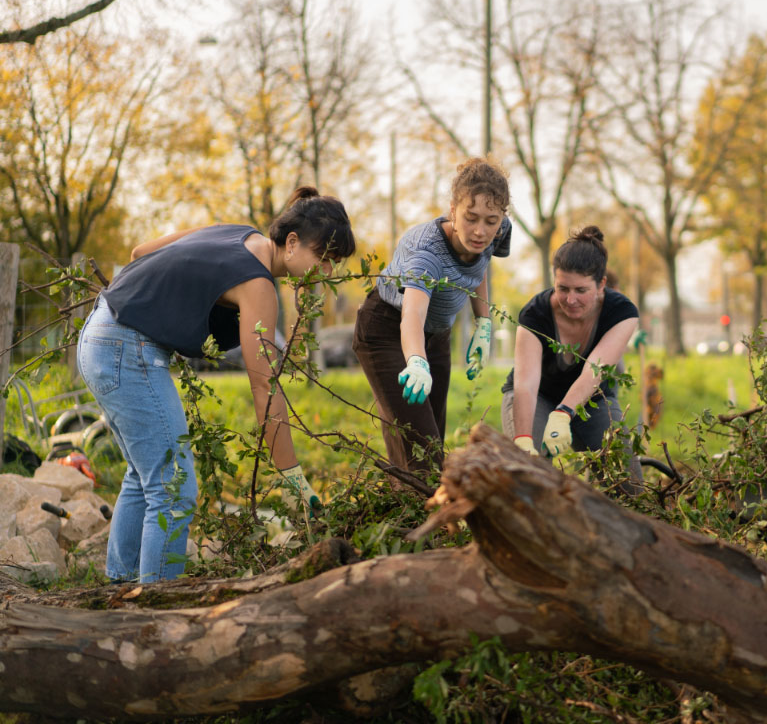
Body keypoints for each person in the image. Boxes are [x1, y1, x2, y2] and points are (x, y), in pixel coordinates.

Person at [77, 187, 356, 583]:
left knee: (145, 476)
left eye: (336, 264)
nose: (328, 273)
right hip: (125, 349)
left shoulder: (237, 233)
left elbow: (141, 252)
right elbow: (265, 388)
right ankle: (157, 607)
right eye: (324, 259)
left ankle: (121, 590)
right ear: (292, 243)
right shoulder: (258, 284)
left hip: (98, 334)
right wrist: (292, 475)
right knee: (173, 487)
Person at [353, 157, 511, 480]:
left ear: (502, 217)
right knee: (422, 444)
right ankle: (426, 523)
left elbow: (480, 264)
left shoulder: (498, 231)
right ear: (453, 209)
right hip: (386, 328)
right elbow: (411, 318)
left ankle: (405, 511)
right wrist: (416, 361)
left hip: (436, 333)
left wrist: (483, 323)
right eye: (470, 218)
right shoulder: (427, 252)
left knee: (431, 435)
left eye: (490, 220)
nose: (480, 231)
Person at [501, 226, 639, 457]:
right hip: (537, 397)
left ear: (601, 284)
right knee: (532, 473)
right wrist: (523, 440)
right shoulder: (535, 314)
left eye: (581, 290)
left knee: (623, 472)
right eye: (562, 288)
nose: (570, 299)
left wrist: (563, 412)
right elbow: (525, 384)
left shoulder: (622, 312)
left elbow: (594, 372)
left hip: (592, 399)